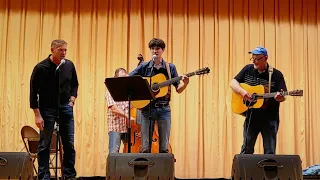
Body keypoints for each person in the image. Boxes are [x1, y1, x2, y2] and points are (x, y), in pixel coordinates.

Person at [129, 38, 189, 153]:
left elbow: (178, 89)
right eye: (152, 49)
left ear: (163, 50)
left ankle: (163, 170)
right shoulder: (145, 66)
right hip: (147, 109)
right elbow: (130, 78)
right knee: (145, 147)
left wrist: (185, 84)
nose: (155, 51)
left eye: (157, 49)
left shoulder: (170, 68)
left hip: (164, 109)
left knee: (164, 147)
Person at [30, 39, 79, 180]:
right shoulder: (41, 68)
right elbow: (33, 92)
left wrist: (72, 100)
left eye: (65, 50)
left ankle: (69, 175)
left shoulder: (69, 65)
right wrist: (37, 115)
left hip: (65, 107)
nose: (64, 53)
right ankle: (44, 176)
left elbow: (75, 84)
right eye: (60, 50)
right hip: (47, 109)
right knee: (45, 144)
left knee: (69, 143)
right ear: (52, 50)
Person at [230, 46, 287, 154]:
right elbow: (233, 83)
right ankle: (245, 171)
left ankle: (269, 171)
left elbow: (283, 95)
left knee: (270, 151)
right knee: (246, 150)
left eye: (257, 59)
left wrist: (280, 97)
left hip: (270, 118)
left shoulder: (276, 75)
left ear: (265, 58)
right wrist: (243, 92)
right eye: (252, 58)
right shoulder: (248, 69)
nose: (254, 61)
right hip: (251, 117)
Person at [105, 68, 136, 153]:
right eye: (121, 78)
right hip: (116, 127)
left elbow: (134, 107)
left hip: (129, 127)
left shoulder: (128, 92)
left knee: (130, 154)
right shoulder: (110, 90)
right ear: (116, 78)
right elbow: (113, 108)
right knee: (114, 153)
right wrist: (128, 116)